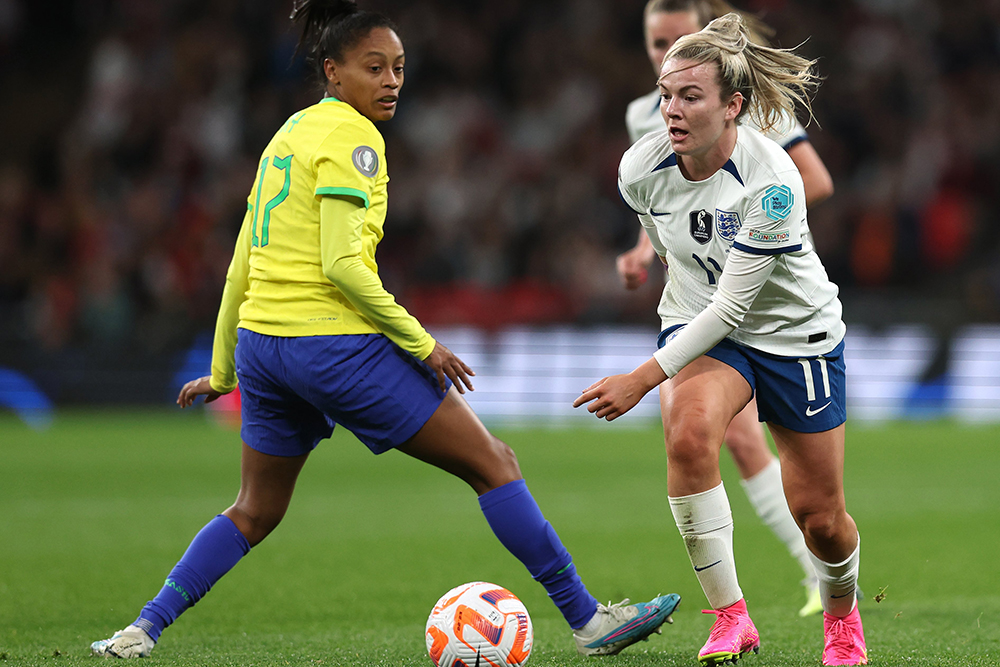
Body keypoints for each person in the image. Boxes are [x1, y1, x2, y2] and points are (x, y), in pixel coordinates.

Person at [90, 0, 680, 659]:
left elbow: (239, 265)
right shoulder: (354, 140)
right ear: (333, 72)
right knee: (495, 463)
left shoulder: (289, 134)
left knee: (254, 510)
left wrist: (227, 368)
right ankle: (588, 620)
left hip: (263, 348)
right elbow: (342, 266)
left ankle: (142, 627)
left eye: (399, 67)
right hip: (331, 346)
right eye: (375, 67)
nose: (392, 80)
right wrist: (423, 343)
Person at [575, 13, 866, 666]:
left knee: (820, 515)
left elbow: (736, 305)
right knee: (687, 432)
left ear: (734, 106)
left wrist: (642, 375)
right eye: (666, 94)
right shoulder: (639, 169)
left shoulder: (771, 183)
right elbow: (680, 248)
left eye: (691, 96)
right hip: (701, 322)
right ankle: (730, 617)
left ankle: (844, 621)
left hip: (795, 335)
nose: (671, 110)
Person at [617, 0, 835, 619]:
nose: (664, 54)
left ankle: (819, 570)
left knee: (798, 486)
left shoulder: (758, 113)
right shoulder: (646, 121)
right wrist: (643, 250)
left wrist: (755, 229)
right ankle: (744, 609)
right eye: (656, 45)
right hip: (701, 304)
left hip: (769, 289)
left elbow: (809, 180)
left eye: (676, 40)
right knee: (698, 436)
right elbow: (670, 205)